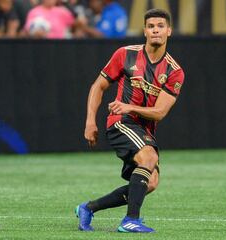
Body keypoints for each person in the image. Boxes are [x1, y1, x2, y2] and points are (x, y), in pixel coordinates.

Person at [76, 9, 185, 233]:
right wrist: (90, 121)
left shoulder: (175, 72)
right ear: (144, 31)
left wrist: (131, 106)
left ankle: (88, 208)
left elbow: (160, 112)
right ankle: (130, 220)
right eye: (151, 25)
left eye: (161, 25)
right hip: (121, 121)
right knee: (149, 157)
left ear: (169, 31)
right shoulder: (125, 54)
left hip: (143, 128)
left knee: (150, 182)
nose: (156, 29)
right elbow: (98, 86)